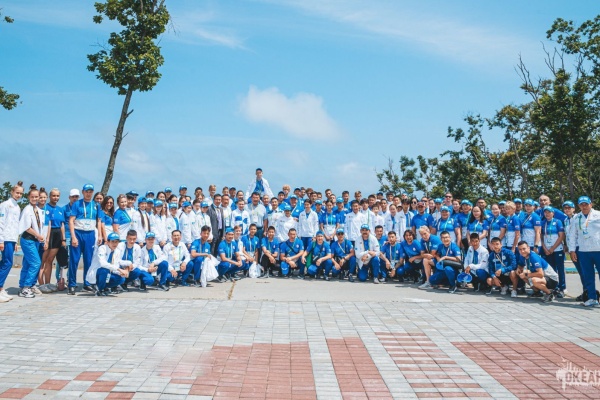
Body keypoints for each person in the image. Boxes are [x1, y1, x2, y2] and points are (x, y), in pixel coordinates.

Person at [567, 196, 600, 307]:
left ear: (591, 204)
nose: (584, 206)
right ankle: (592, 298)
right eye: (582, 204)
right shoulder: (576, 218)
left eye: (586, 204)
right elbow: (573, 235)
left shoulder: (598, 215)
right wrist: (572, 250)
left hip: (598, 249)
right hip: (584, 251)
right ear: (579, 206)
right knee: (588, 276)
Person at [68, 183, 101, 295]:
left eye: (90, 191)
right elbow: (71, 221)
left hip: (90, 234)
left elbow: (99, 221)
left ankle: (87, 283)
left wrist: (99, 235)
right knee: (74, 260)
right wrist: (73, 237)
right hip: (78, 233)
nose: (88, 193)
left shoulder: (96, 205)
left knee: (89, 260)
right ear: (83, 192)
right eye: (86, 191)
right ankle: (72, 284)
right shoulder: (77, 204)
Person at [17, 185, 46, 298]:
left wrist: (41, 238)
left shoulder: (37, 210)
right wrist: (38, 235)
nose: (34, 199)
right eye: (32, 197)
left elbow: (40, 226)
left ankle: (24, 285)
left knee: (27, 263)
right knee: (36, 263)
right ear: (28, 197)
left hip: (35, 240)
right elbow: (27, 227)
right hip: (28, 239)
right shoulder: (27, 209)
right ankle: (26, 287)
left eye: (36, 197)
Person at [39, 188, 65, 291]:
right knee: (43, 260)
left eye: (57, 196)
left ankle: (48, 283)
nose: (55, 197)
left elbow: (62, 225)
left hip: (57, 234)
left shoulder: (60, 209)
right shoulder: (45, 207)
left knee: (50, 260)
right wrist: (46, 238)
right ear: (49, 196)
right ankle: (41, 284)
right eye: (53, 195)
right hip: (48, 233)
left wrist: (63, 239)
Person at [540, 207, 566, 297]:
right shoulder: (543, 223)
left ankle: (562, 288)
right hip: (547, 250)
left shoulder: (558, 222)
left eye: (549, 212)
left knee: (560, 269)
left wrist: (552, 248)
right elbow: (541, 237)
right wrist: (544, 248)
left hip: (557, 249)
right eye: (545, 212)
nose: (547, 214)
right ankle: (554, 287)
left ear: (553, 213)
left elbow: (561, 236)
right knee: (551, 270)